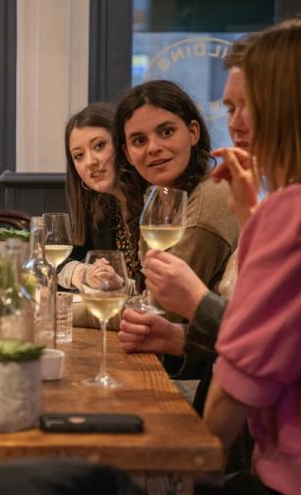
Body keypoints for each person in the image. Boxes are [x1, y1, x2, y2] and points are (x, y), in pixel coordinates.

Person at [204, 14, 301, 494]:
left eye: (251, 105)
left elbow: (236, 386)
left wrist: (191, 474)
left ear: (295, 108)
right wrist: (253, 220)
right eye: (229, 108)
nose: (236, 125)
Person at [118, 38, 254, 362]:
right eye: (139, 140)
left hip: (191, 378)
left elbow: (163, 309)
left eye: (166, 132)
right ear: (127, 152)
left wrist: (68, 307)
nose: (153, 147)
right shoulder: (160, 194)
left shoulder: (214, 195)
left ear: (193, 133)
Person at [59, 103, 144, 293]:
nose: (90, 162)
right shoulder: (100, 205)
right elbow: (53, 262)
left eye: (99, 146)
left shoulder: (154, 201)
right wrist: (82, 273)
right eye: (79, 155)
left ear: (123, 145)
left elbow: (155, 290)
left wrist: (119, 285)